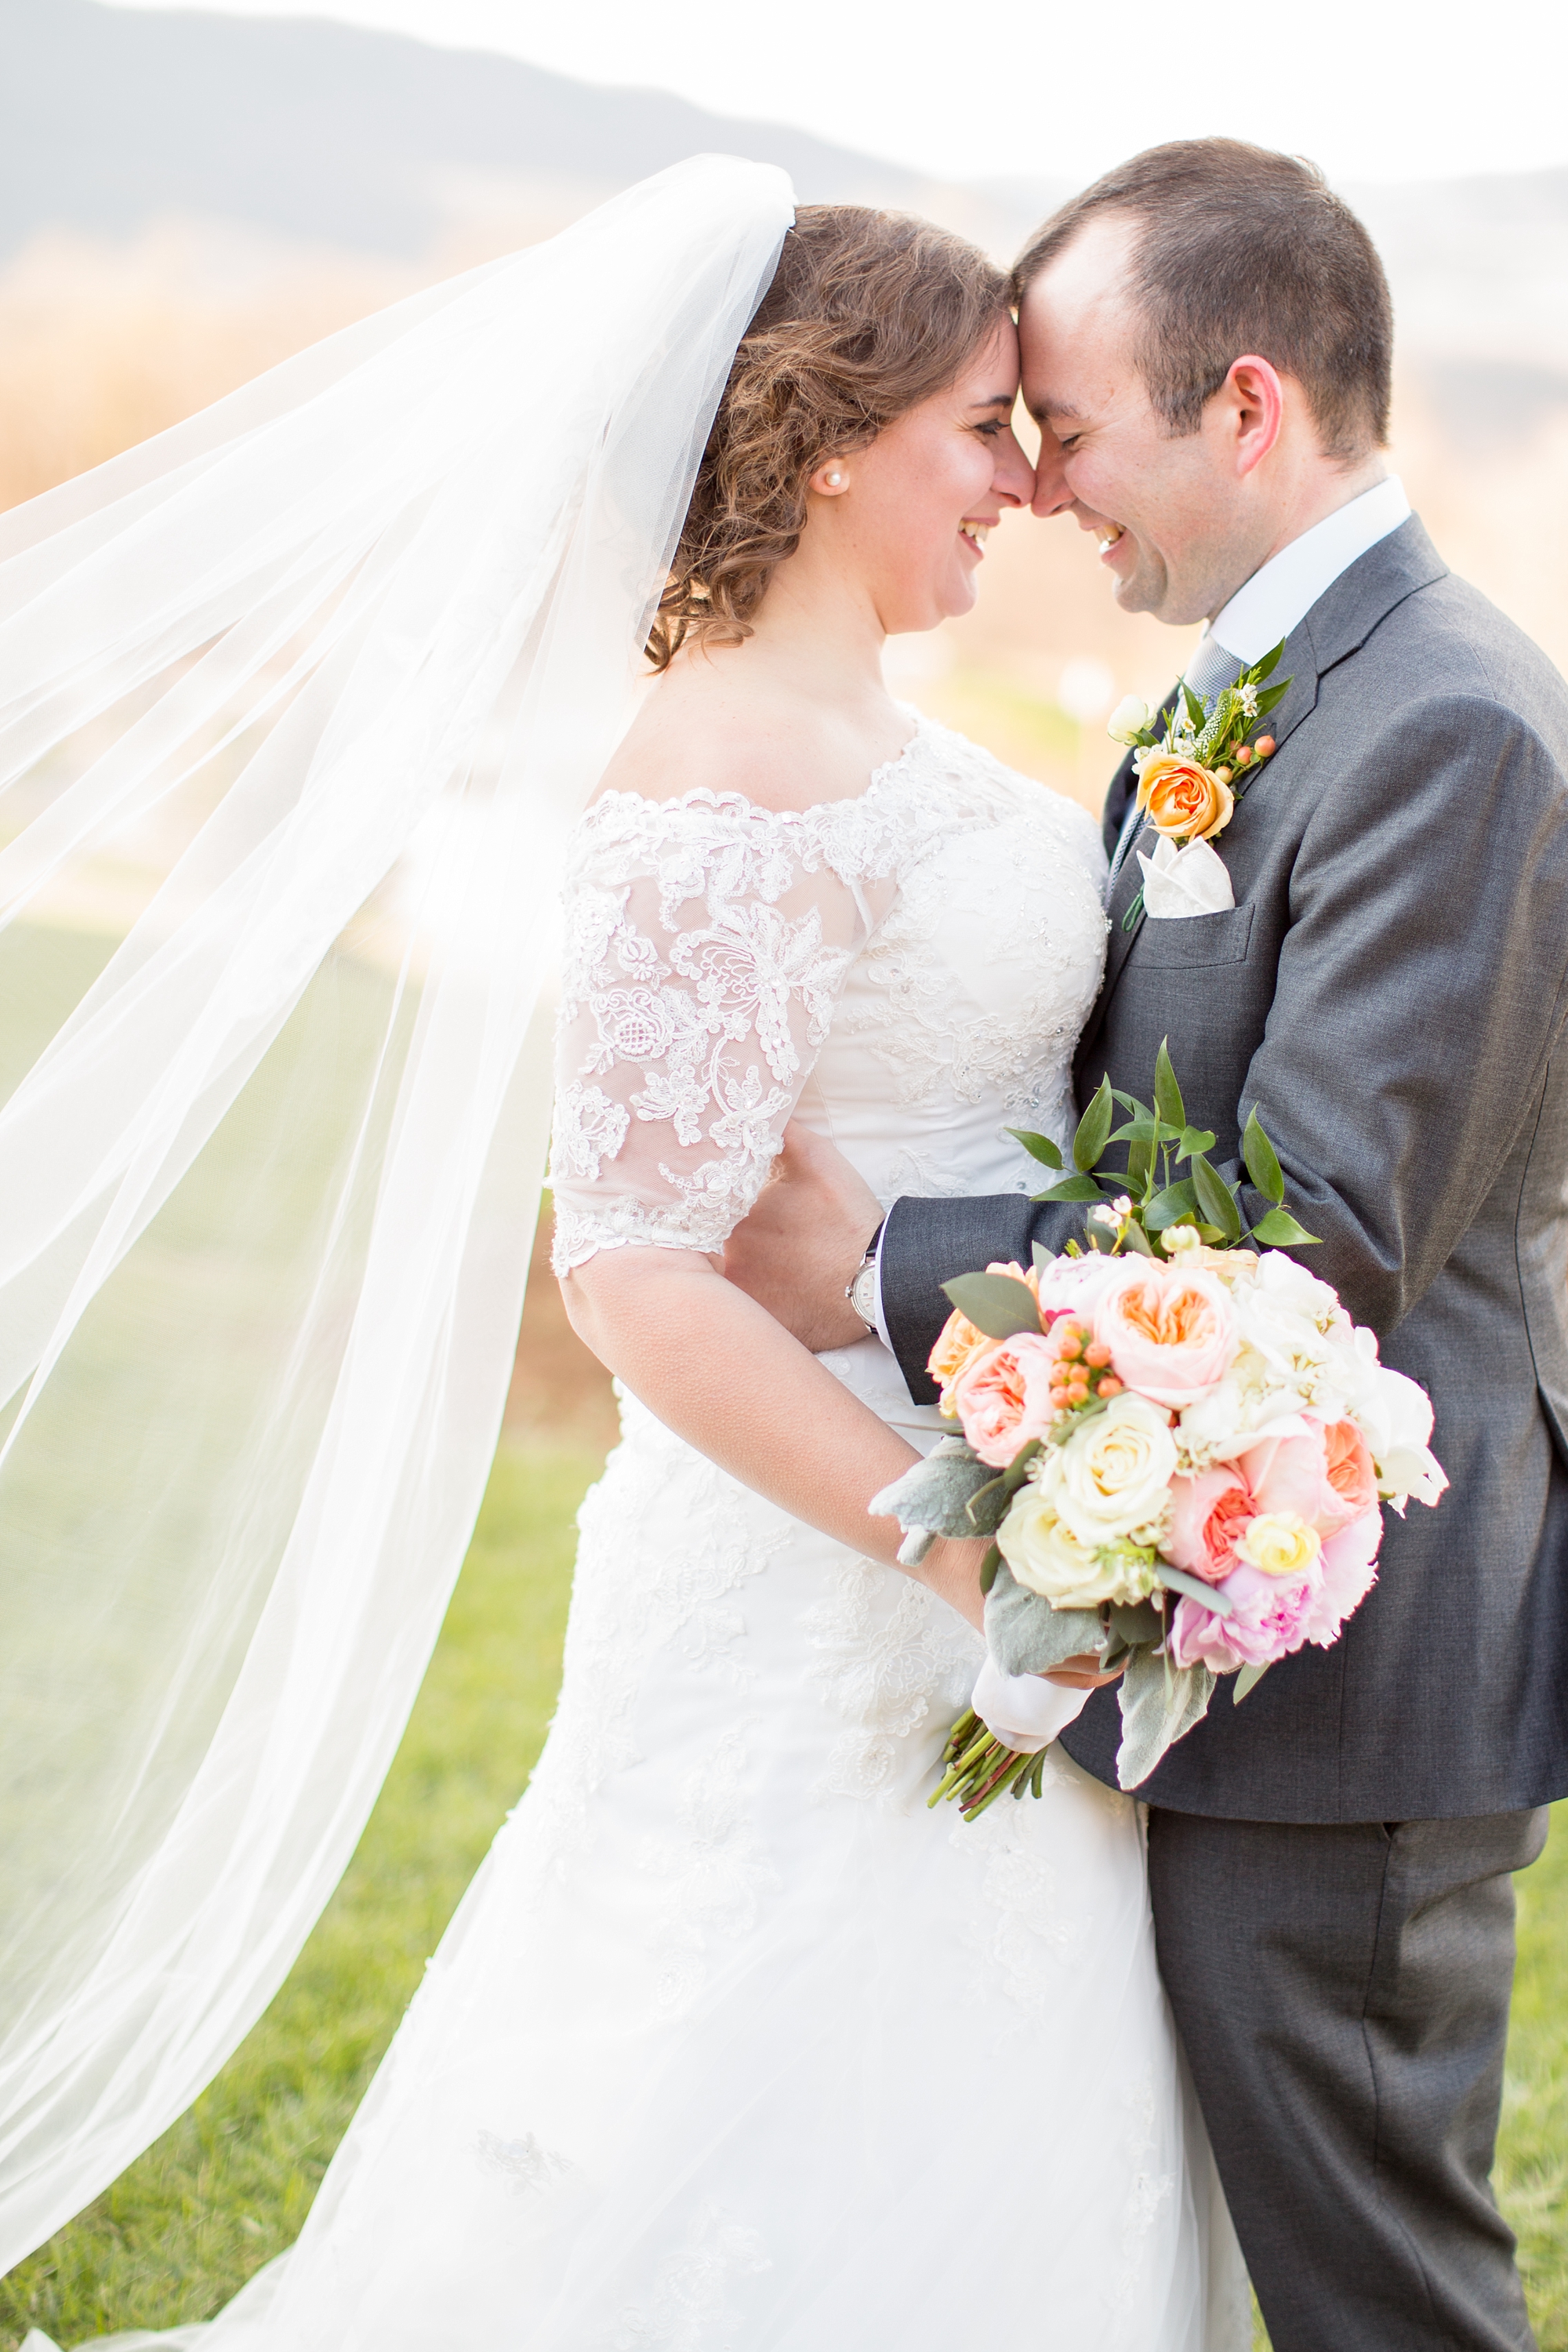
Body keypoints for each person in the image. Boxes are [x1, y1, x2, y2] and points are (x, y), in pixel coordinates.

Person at [13, 188, 1246, 2348]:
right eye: (983, 429)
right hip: (825, 1577)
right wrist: (982, 1568)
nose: (1027, 484)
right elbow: (640, 1278)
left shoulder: (906, 743)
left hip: (1011, 1491)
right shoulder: (708, 785)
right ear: (839, 440)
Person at [724, 140, 1568, 2352]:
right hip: (1226, 1630)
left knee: (1379, 2285)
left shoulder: (1449, 718)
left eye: (1073, 425)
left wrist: (886, 1263)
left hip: (1361, 1677)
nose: (1045, 481)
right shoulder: (1262, 690)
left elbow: (1312, 1239)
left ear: (1250, 408)